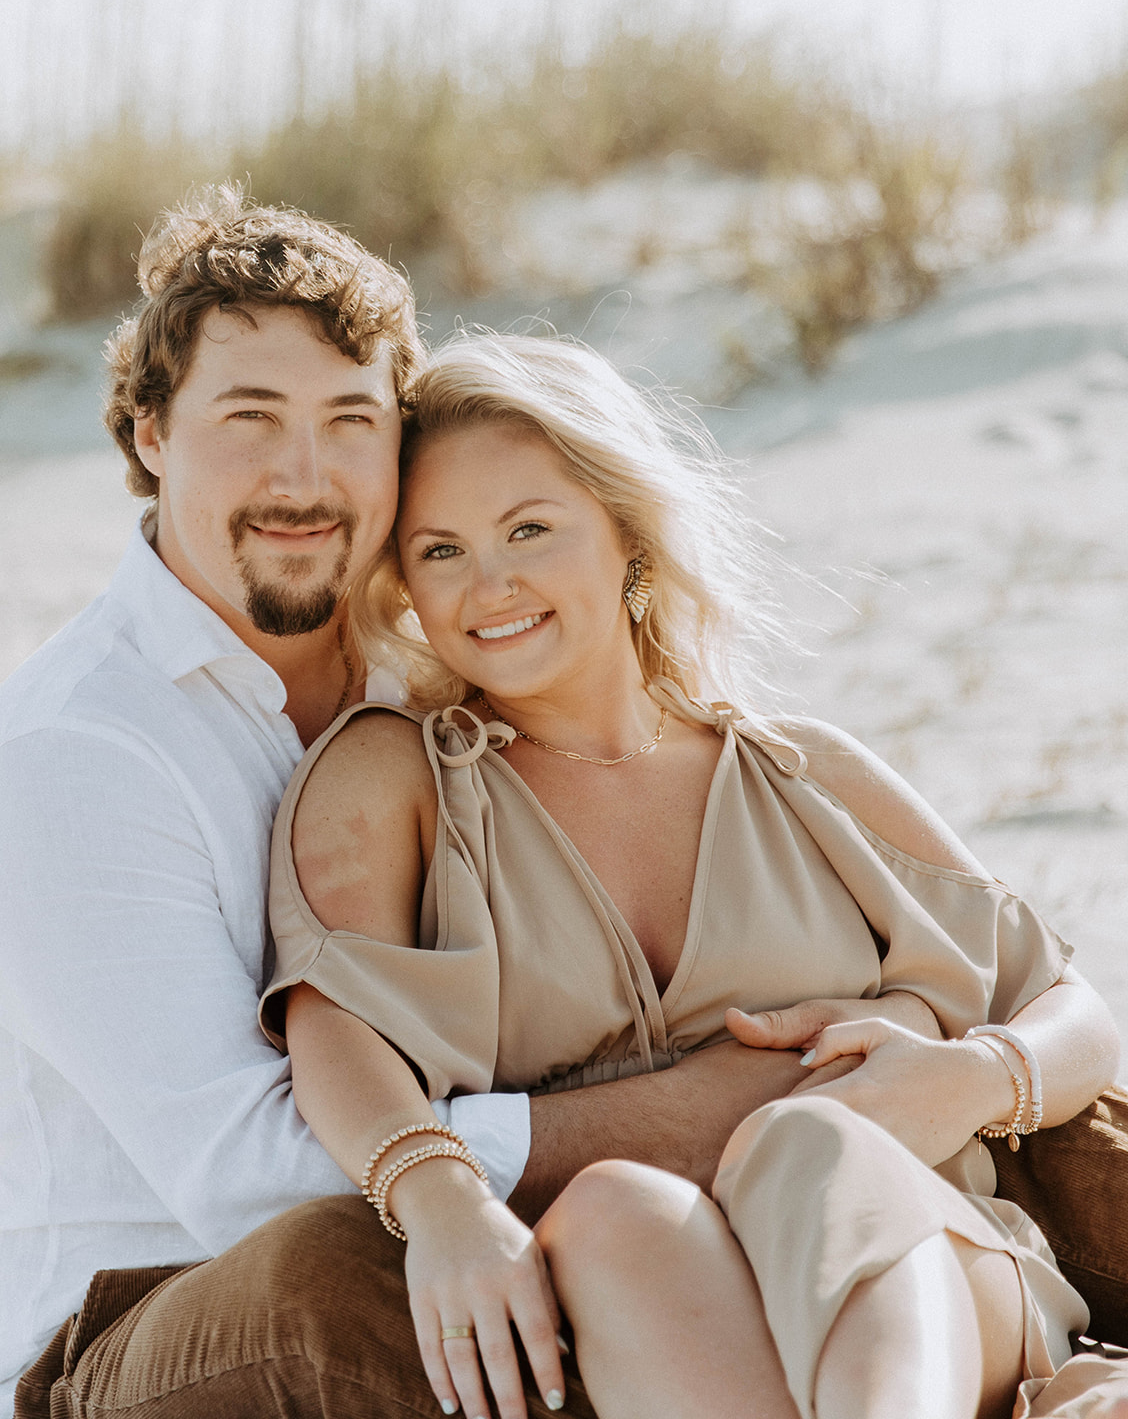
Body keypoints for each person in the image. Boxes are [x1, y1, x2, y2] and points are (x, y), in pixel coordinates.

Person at [0, 190, 919, 1419]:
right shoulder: (79, 753)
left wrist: (924, 1072)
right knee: (351, 1263)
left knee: (1029, 1141)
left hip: (488, 1224)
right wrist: (705, 1108)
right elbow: (243, 1180)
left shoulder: (436, 672)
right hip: (144, 1327)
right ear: (151, 431)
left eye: (350, 420)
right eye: (249, 416)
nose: (303, 474)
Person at [262, 332, 1123, 1419]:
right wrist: (437, 1200)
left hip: (936, 1269)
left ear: (627, 532)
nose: (491, 585)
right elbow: (330, 1027)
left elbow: (1073, 1008)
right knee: (613, 1205)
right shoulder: (404, 777)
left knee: (810, 1139)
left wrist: (974, 1076)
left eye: (530, 528)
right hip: (656, 1302)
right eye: (440, 551)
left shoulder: (801, 773)